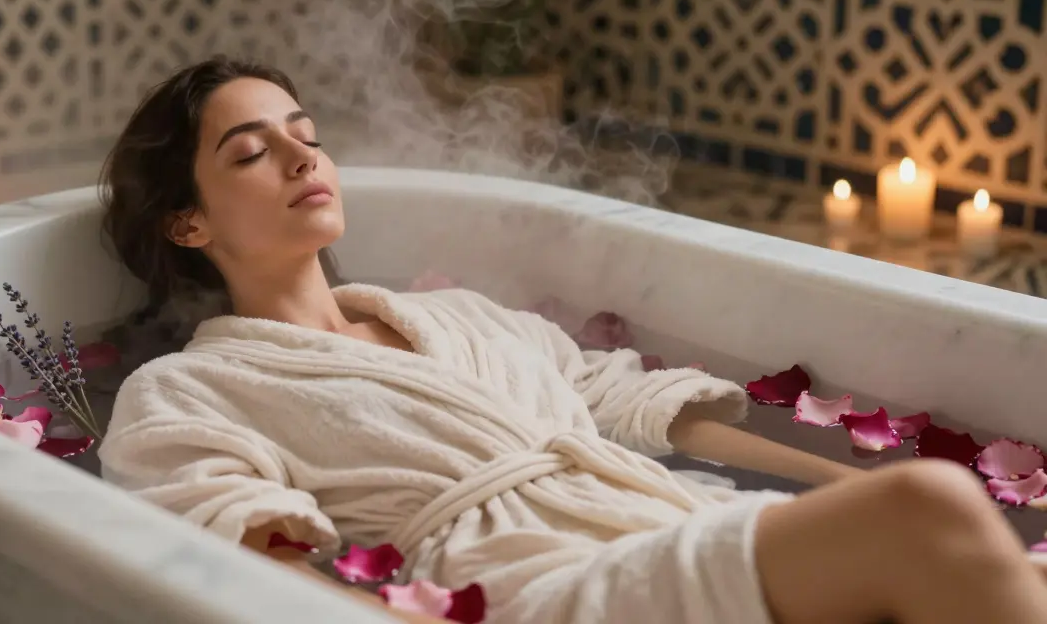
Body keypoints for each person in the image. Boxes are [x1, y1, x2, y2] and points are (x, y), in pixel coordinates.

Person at [96, 56, 1047, 624]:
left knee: (938, 515)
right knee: (928, 513)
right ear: (188, 224)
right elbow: (246, 563)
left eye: (306, 133)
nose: (305, 156)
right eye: (254, 152)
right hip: (536, 592)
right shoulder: (186, 391)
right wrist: (919, 510)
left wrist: (860, 494)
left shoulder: (459, 318)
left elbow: (629, 404)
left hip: (668, 520)